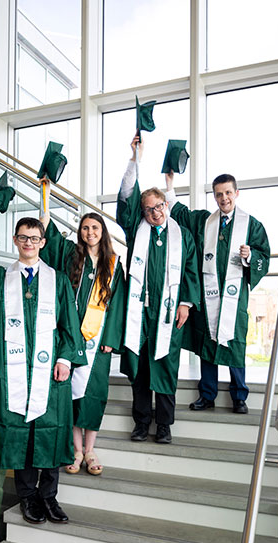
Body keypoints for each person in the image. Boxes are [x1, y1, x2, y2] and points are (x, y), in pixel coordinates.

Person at [0, 206, 86, 524]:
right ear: (15, 240)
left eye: (34, 237)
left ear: (43, 241)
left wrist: (66, 359)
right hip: (18, 374)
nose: (28, 242)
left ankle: (49, 496)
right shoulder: (3, 280)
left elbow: (70, 324)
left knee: (52, 433)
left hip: (51, 372)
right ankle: (28, 497)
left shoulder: (57, 281)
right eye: (23, 237)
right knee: (22, 434)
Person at [117, 135, 200, 444]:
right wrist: (135, 158)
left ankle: (163, 425)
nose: (155, 213)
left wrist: (186, 304)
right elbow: (126, 196)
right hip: (139, 311)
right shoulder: (136, 231)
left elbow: (191, 271)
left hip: (168, 312)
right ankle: (141, 423)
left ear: (167, 205)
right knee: (139, 369)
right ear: (144, 212)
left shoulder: (182, 236)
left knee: (165, 367)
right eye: (148, 209)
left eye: (159, 206)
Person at [40, 180, 125, 475]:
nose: (90, 233)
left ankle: (91, 450)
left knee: (94, 395)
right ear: (80, 232)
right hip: (71, 338)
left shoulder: (113, 264)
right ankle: (76, 451)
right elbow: (47, 237)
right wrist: (46, 198)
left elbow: (118, 305)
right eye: (85, 228)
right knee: (72, 395)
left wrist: (112, 339)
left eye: (95, 228)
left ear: (103, 232)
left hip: (99, 340)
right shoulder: (70, 256)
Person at [167, 171, 270, 414]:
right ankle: (207, 394)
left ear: (236, 193)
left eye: (227, 193)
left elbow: (263, 256)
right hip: (209, 295)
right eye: (218, 194)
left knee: (234, 342)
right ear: (214, 197)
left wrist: (250, 257)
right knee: (208, 342)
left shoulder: (251, 225)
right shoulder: (205, 221)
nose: (223, 198)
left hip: (234, 298)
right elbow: (181, 213)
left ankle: (239, 396)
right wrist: (170, 185)